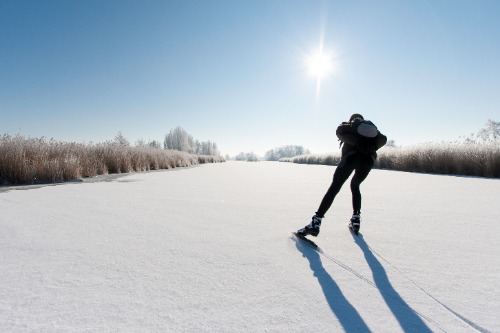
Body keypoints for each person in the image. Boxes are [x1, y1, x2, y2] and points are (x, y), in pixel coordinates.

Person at [297, 113, 387, 236]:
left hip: (351, 158)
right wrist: (370, 147)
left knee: (334, 188)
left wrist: (355, 144)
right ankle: (356, 218)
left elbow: (339, 132)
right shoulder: (371, 130)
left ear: (352, 120)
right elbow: (384, 139)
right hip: (368, 161)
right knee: (355, 186)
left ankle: (315, 222)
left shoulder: (349, 126)